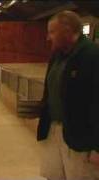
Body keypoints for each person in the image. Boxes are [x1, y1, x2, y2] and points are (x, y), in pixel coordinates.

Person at [37, 10, 99, 180]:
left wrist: (97, 147)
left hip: (80, 139)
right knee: (53, 175)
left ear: (67, 30)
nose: (48, 37)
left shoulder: (92, 55)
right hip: (54, 131)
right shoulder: (57, 56)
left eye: (52, 31)